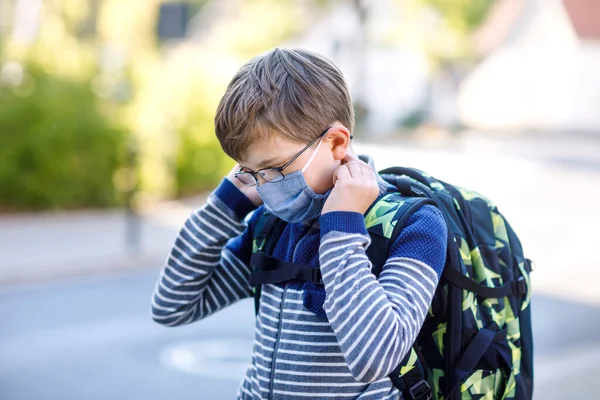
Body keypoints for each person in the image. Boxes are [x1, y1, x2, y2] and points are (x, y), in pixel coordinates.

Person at [151, 48, 448, 399]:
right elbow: (173, 306)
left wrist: (341, 227)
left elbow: (374, 358)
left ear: (336, 143)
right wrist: (224, 207)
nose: (264, 187)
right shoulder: (273, 225)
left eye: (275, 169)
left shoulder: (414, 225)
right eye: (251, 172)